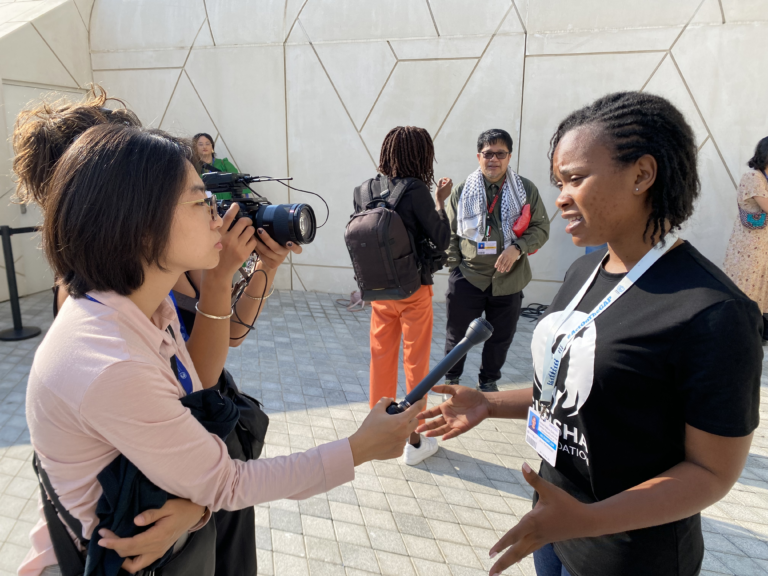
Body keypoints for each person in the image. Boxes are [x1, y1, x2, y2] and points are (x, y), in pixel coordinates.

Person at [20, 123, 425, 576]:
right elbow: (228, 483)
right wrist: (358, 448)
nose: (219, 217)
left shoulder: (141, 310)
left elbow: (199, 386)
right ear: (140, 223)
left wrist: (198, 507)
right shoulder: (110, 358)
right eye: (202, 202)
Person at [417, 92, 762, 576]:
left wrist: (589, 521)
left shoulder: (715, 312)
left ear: (642, 174)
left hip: (627, 555)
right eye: (559, 182)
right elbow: (573, 387)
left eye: (575, 179)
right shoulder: (584, 272)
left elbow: (712, 473)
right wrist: (490, 404)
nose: (560, 197)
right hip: (553, 525)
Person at [13, 88, 295, 576]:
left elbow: (225, 337)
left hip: (196, 468)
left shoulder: (169, 261)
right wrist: (200, 502)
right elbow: (147, 419)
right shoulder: (89, 303)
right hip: (155, 501)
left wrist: (261, 269)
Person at [354, 126, 452, 466]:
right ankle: (414, 441)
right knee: (416, 365)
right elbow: (441, 239)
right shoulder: (416, 190)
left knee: (380, 361)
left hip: (380, 292)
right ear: (421, 156)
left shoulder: (364, 190)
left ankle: (378, 433)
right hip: (414, 291)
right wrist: (441, 203)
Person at [444, 129, 549, 393]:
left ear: (509, 156)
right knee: (457, 336)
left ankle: (488, 383)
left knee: (500, 338)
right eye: (488, 153)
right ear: (478, 156)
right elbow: (449, 232)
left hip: (510, 280)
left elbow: (541, 228)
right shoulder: (462, 190)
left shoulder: (525, 189)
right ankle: (451, 382)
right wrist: (455, 268)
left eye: (500, 153)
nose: (494, 159)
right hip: (469, 278)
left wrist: (518, 248)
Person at [724, 136, 768, 340]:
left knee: (761, 287)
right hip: (749, 246)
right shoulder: (753, 177)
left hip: (763, 245)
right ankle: (739, 332)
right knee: (747, 285)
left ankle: (757, 332)